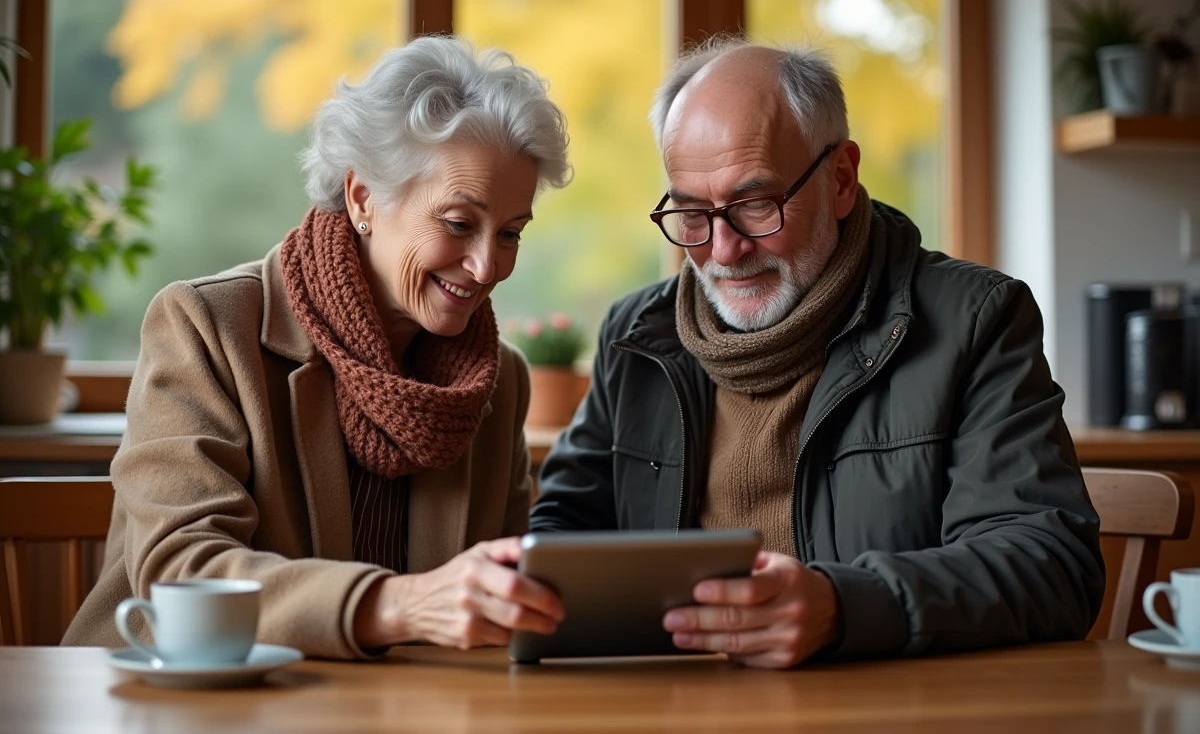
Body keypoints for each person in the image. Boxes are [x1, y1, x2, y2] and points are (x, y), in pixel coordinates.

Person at [531, 40, 1105, 669]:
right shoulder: (638, 336)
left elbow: (1051, 564)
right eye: (692, 212)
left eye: (755, 204)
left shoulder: (976, 321)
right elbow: (561, 531)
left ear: (840, 179)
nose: (723, 250)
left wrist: (844, 606)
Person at [65, 36, 569, 659]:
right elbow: (181, 572)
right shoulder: (205, 325)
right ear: (362, 197)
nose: (487, 265)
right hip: (186, 702)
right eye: (459, 223)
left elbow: (496, 594)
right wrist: (395, 606)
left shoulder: (502, 377)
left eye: (511, 234)